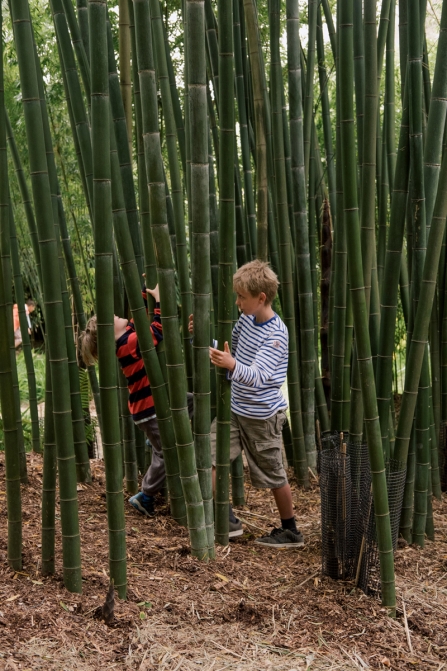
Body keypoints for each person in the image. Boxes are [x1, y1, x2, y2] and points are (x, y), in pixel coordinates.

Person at [203, 259, 304, 548]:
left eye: (241, 297)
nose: (237, 302)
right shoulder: (246, 320)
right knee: (207, 459)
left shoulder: (276, 335)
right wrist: (204, 337)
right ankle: (227, 519)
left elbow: (258, 376)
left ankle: (291, 529)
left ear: (261, 298)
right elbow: (228, 351)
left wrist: (232, 365)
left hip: (263, 418)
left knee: (274, 474)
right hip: (235, 412)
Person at [79, 284, 178, 518]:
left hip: (153, 405)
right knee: (166, 451)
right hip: (149, 409)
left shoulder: (127, 336)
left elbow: (137, 318)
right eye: (112, 317)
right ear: (109, 332)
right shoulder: (129, 344)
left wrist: (144, 292)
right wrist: (161, 300)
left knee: (188, 404)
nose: (116, 314)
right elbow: (156, 329)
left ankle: (151, 443)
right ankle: (145, 496)